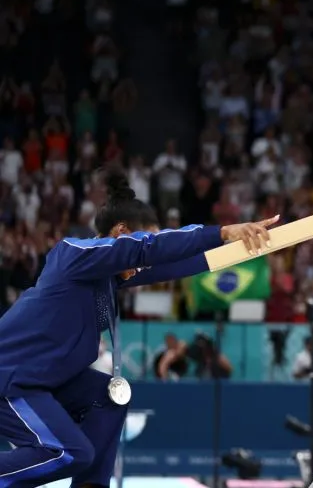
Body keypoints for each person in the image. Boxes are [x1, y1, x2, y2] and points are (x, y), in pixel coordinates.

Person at [0, 167, 276, 486]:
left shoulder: (110, 277)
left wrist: (239, 249)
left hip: (42, 379)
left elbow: (173, 263)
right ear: (120, 232)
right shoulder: (72, 255)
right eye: (145, 245)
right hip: (11, 376)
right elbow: (148, 249)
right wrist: (223, 231)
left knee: (109, 397)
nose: (143, 268)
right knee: (66, 452)